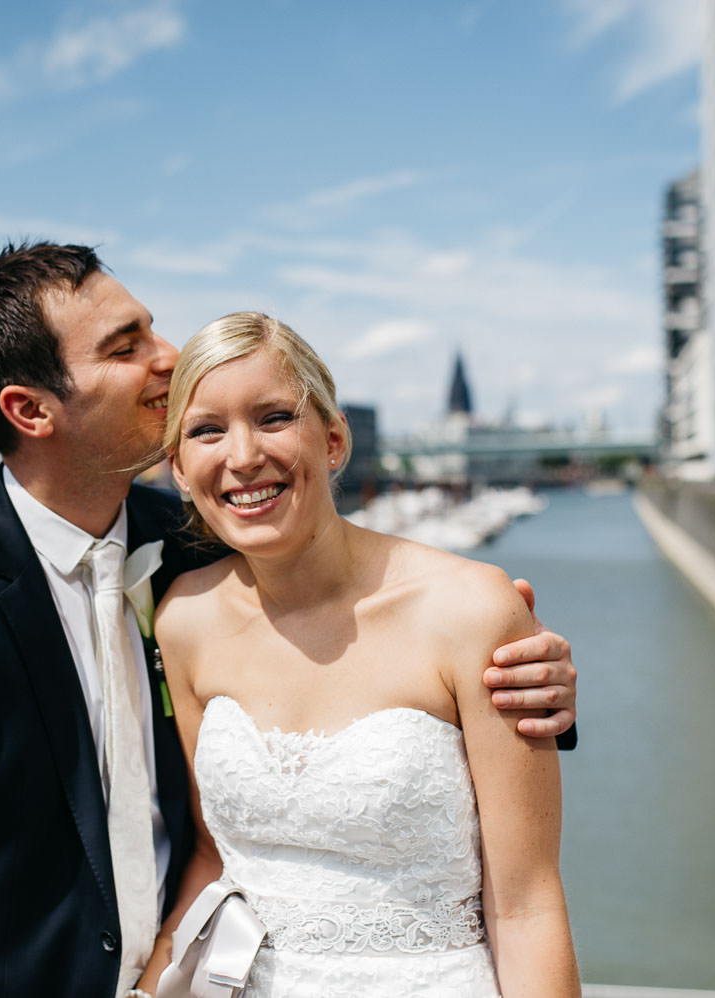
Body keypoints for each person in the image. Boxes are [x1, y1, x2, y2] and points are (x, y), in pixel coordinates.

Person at [0, 243, 578, 998]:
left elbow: (379, 668)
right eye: (127, 345)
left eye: (152, 327)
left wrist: (531, 688)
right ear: (30, 409)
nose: (167, 355)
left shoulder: (198, 540)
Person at [136, 313, 579, 997]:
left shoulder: (471, 610)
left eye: (275, 417)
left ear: (333, 439)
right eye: (207, 430)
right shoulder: (183, 620)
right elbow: (210, 852)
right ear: (180, 470)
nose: (244, 454)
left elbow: (527, 906)